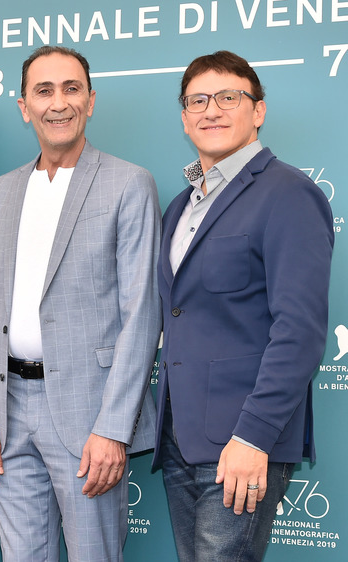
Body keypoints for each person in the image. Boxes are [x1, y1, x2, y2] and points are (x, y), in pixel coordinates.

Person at [0, 46, 161, 561]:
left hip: (87, 413)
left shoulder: (129, 183)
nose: (59, 103)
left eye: (71, 89)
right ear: (24, 106)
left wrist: (113, 429)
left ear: (91, 101)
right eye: (43, 91)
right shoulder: (1, 193)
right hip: (7, 414)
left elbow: (141, 315)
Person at [155, 50, 334, 562]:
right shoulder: (179, 206)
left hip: (241, 442)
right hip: (180, 439)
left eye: (228, 97)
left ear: (257, 110)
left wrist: (254, 438)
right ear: (185, 117)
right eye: (197, 100)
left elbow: (298, 332)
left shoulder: (288, 193)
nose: (211, 110)